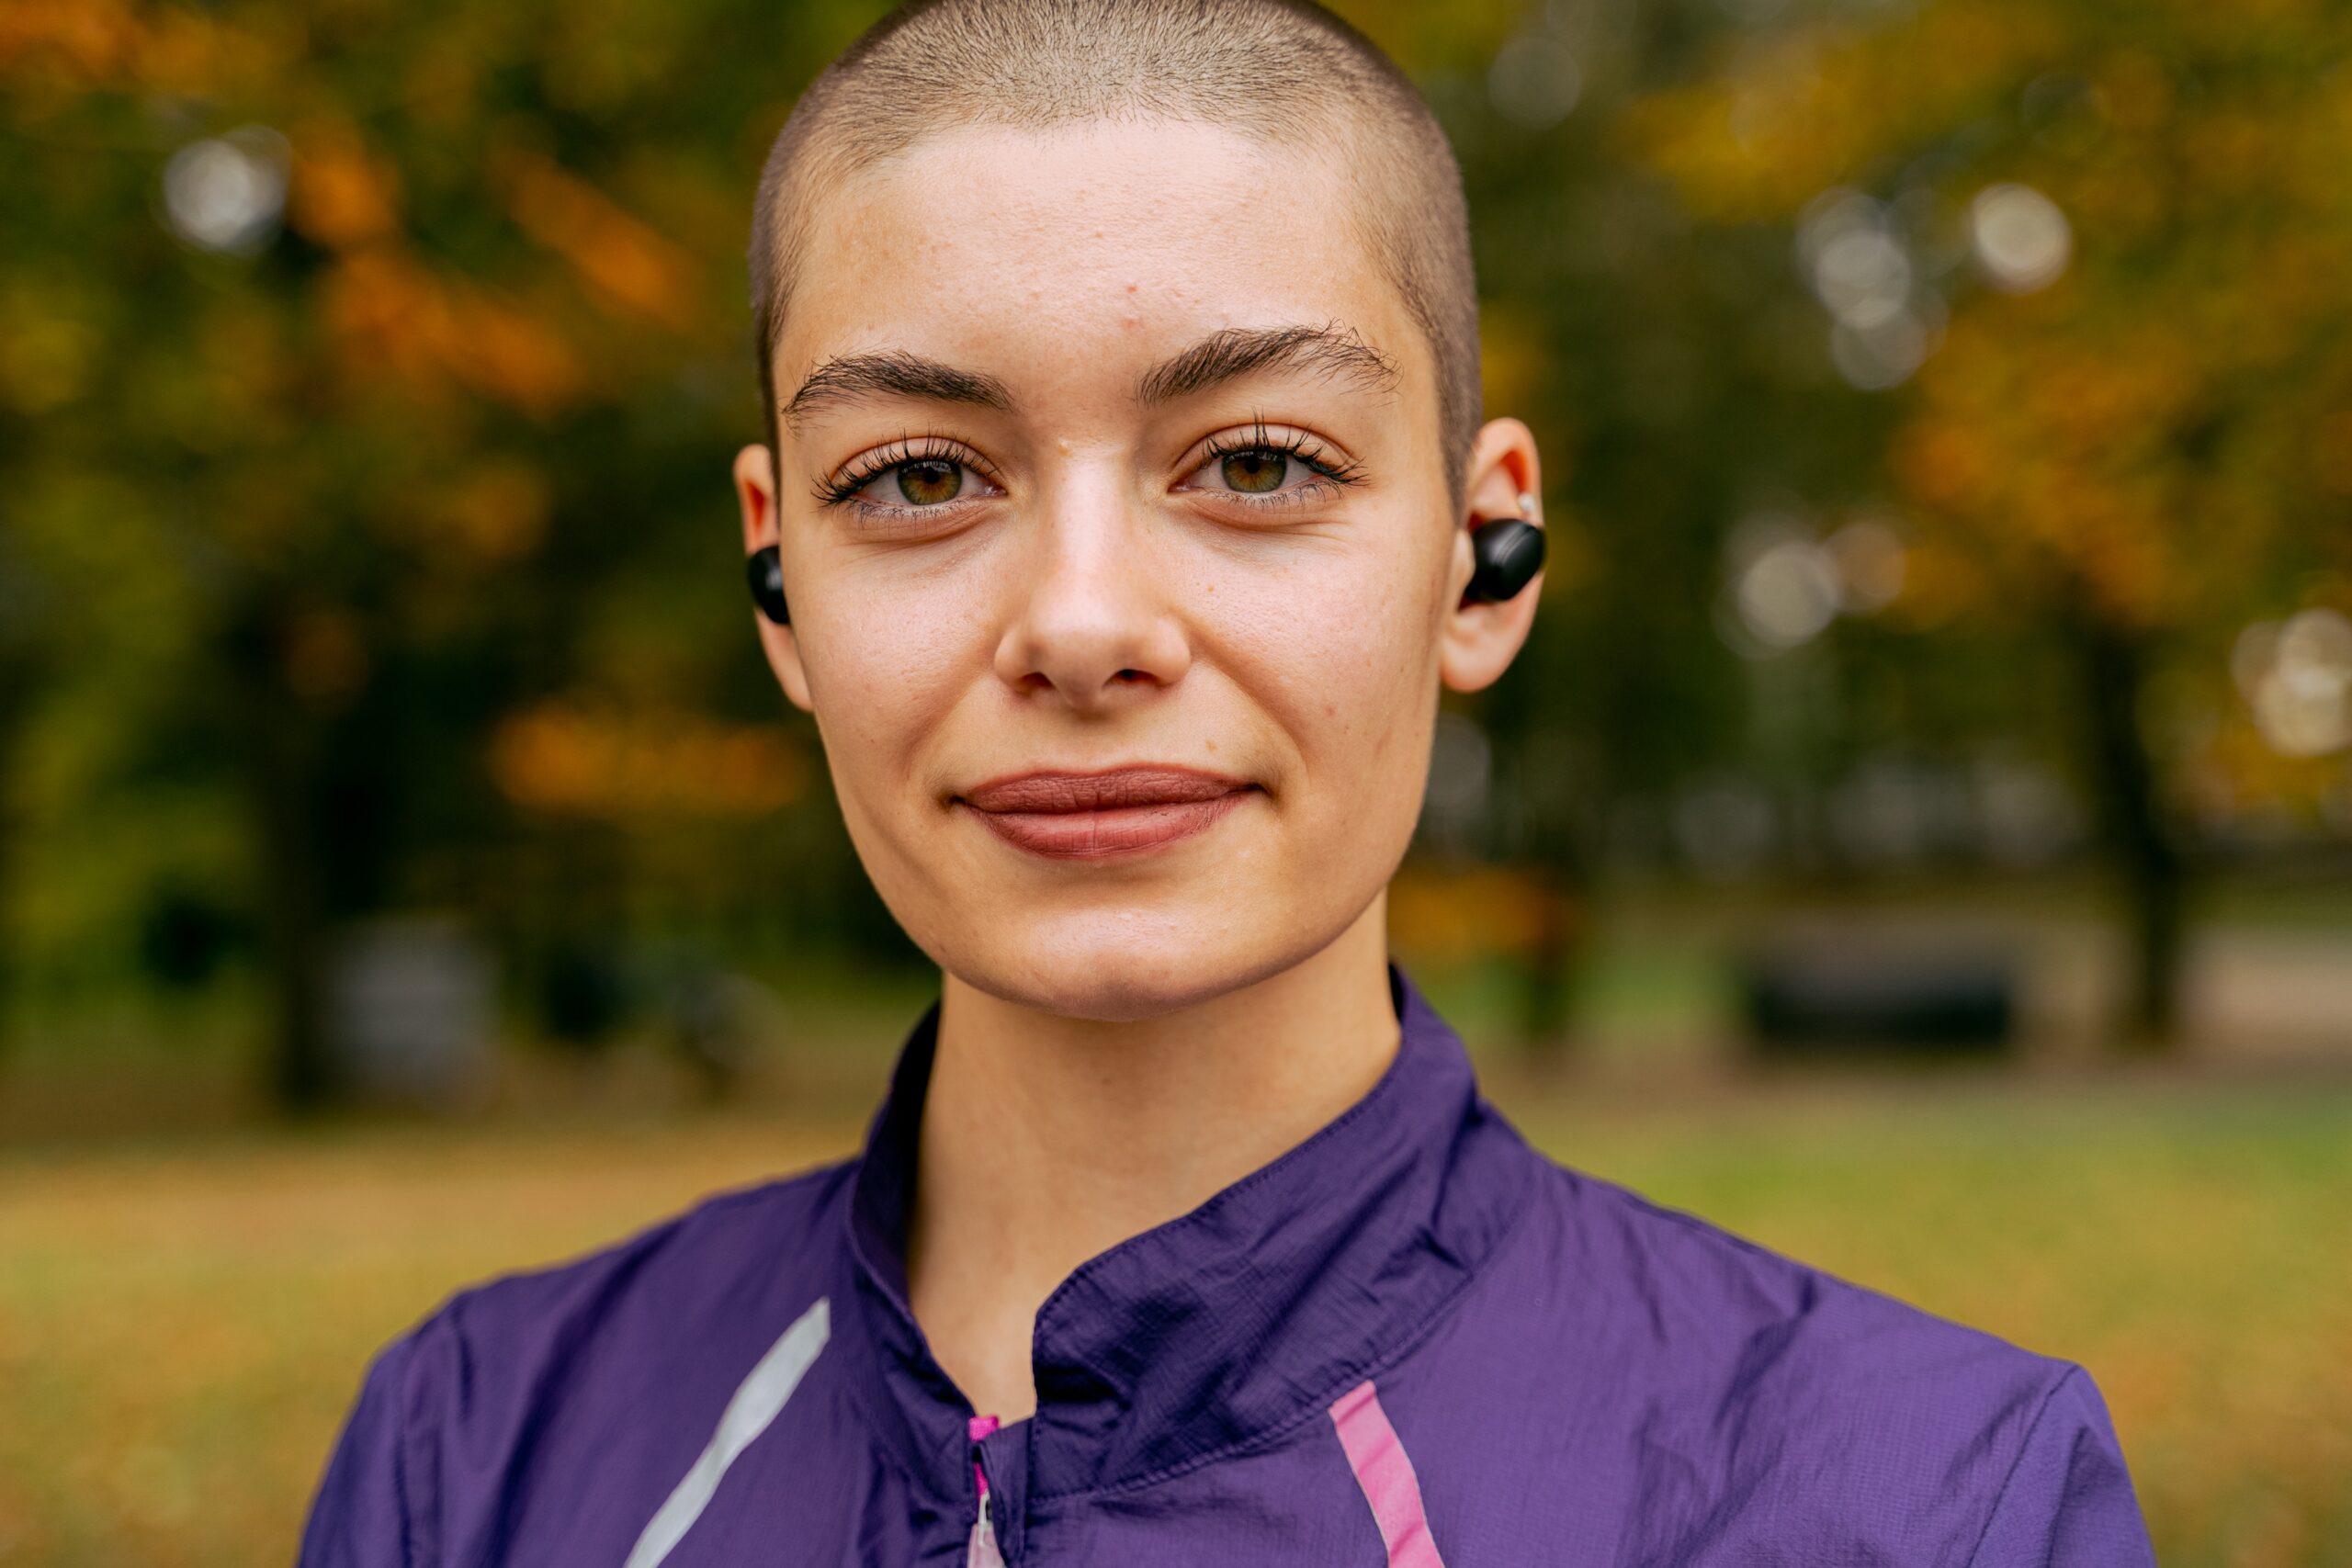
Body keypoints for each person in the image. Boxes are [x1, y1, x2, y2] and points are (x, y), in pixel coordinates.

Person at [296, 2, 2157, 1563]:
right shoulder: (475, 1457)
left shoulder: (1915, 1500)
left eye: (1255, 463)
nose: (1084, 623)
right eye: (917, 475)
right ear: (778, 581)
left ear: (1477, 546)